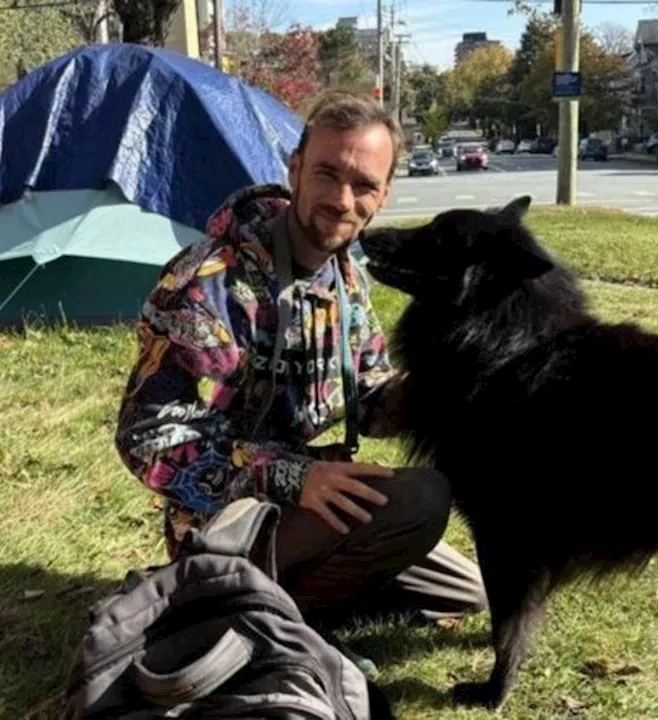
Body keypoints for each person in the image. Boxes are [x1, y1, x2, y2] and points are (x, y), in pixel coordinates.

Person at [114, 90, 487, 656]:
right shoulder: (209, 282)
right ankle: (244, 615)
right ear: (295, 170)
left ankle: (277, 598)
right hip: (225, 517)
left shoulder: (346, 278)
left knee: (464, 591)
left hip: (309, 496)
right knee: (423, 500)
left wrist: (447, 388)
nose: (342, 199)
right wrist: (289, 477)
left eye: (363, 185)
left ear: (383, 195)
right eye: (326, 174)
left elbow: (369, 390)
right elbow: (147, 438)